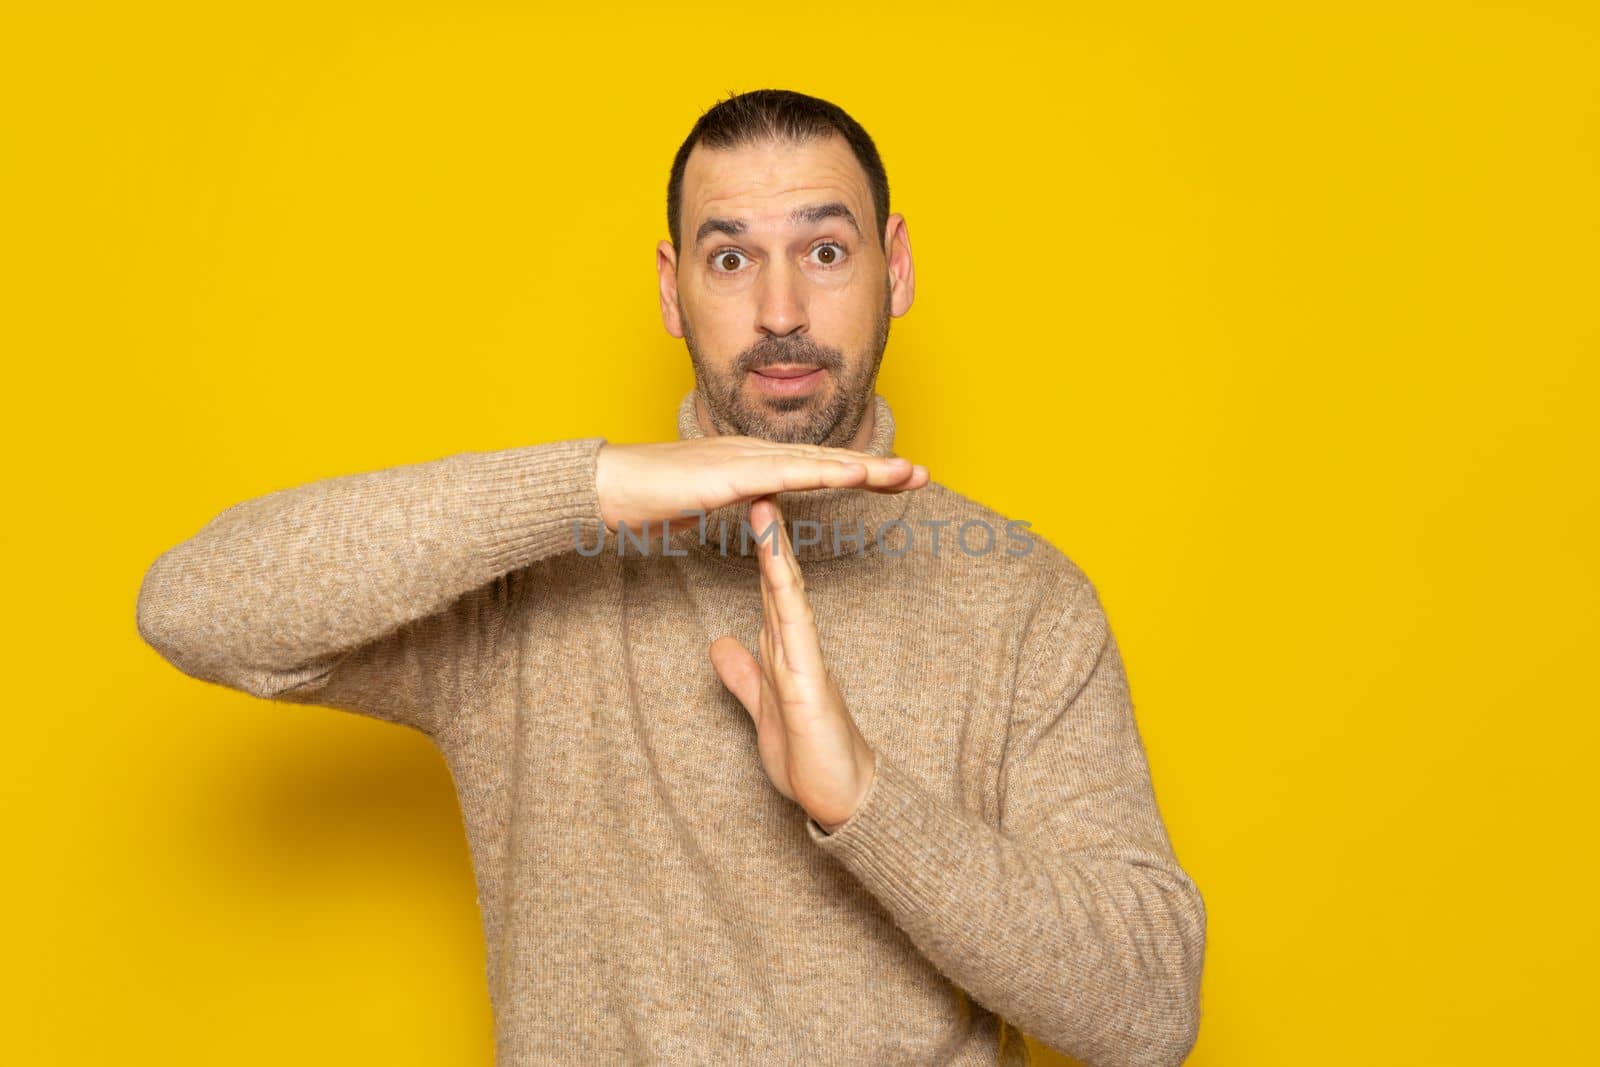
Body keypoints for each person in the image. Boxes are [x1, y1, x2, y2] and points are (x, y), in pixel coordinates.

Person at [136, 88, 1207, 1066]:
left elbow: (1150, 1010)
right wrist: (592, 484)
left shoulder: (1021, 600)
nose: (780, 310)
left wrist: (865, 801)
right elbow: (196, 606)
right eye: (731, 259)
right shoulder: (534, 580)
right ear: (670, 286)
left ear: (897, 266)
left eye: (825, 252)